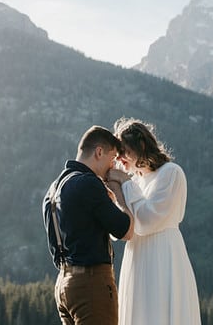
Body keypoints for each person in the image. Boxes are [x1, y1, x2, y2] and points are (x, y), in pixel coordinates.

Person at [107, 117, 202, 325]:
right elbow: (119, 229)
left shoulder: (170, 173)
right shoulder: (135, 181)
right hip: (137, 255)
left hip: (163, 255)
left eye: (123, 150)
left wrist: (124, 182)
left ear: (141, 145)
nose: (120, 158)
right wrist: (116, 191)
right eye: (117, 154)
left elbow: (146, 221)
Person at [43, 125, 134, 325]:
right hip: (91, 285)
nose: (113, 166)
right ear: (99, 152)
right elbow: (125, 230)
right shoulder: (88, 183)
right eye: (112, 159)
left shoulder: (53, 189)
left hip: (64, 284)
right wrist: (118, 190)